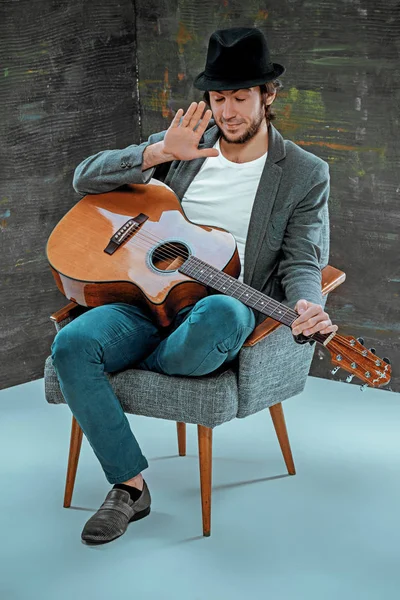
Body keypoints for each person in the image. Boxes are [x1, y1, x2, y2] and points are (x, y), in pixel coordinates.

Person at [51, 27, 338, 545]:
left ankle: (157, 357)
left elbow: (303, 259)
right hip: (141, 297)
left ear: (268, 96)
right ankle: (130, 486)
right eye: (218, 98)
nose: (227, 112)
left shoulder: (303, 173)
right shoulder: (187, 146)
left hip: (219, 311)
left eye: (240, 98)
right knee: (71, 343)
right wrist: (157, 152)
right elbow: (83, 179)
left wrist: (306, 304)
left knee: (224, 315)